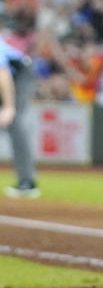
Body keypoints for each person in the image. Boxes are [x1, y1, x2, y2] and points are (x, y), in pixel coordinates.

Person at [1, 34, 38, 198]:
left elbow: (3, 74)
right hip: (7, 76)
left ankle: (27, 183)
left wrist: (9, 107)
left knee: (15, 123)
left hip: (18, 75)